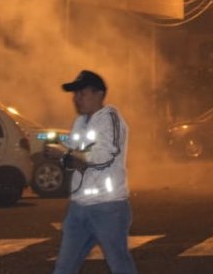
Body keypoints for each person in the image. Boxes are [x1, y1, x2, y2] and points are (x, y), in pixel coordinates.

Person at [45, 70, 136, 274]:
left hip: (108, 207)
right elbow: (78, 158)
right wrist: (61, 155)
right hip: (79, 207)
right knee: (64, 268)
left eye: (82, 93)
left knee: (120, 265)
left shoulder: (110, 118)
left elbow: (102, 157)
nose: (76, 98)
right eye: (75, 94)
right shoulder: (80, 122)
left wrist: (66, 152)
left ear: (99, 94)